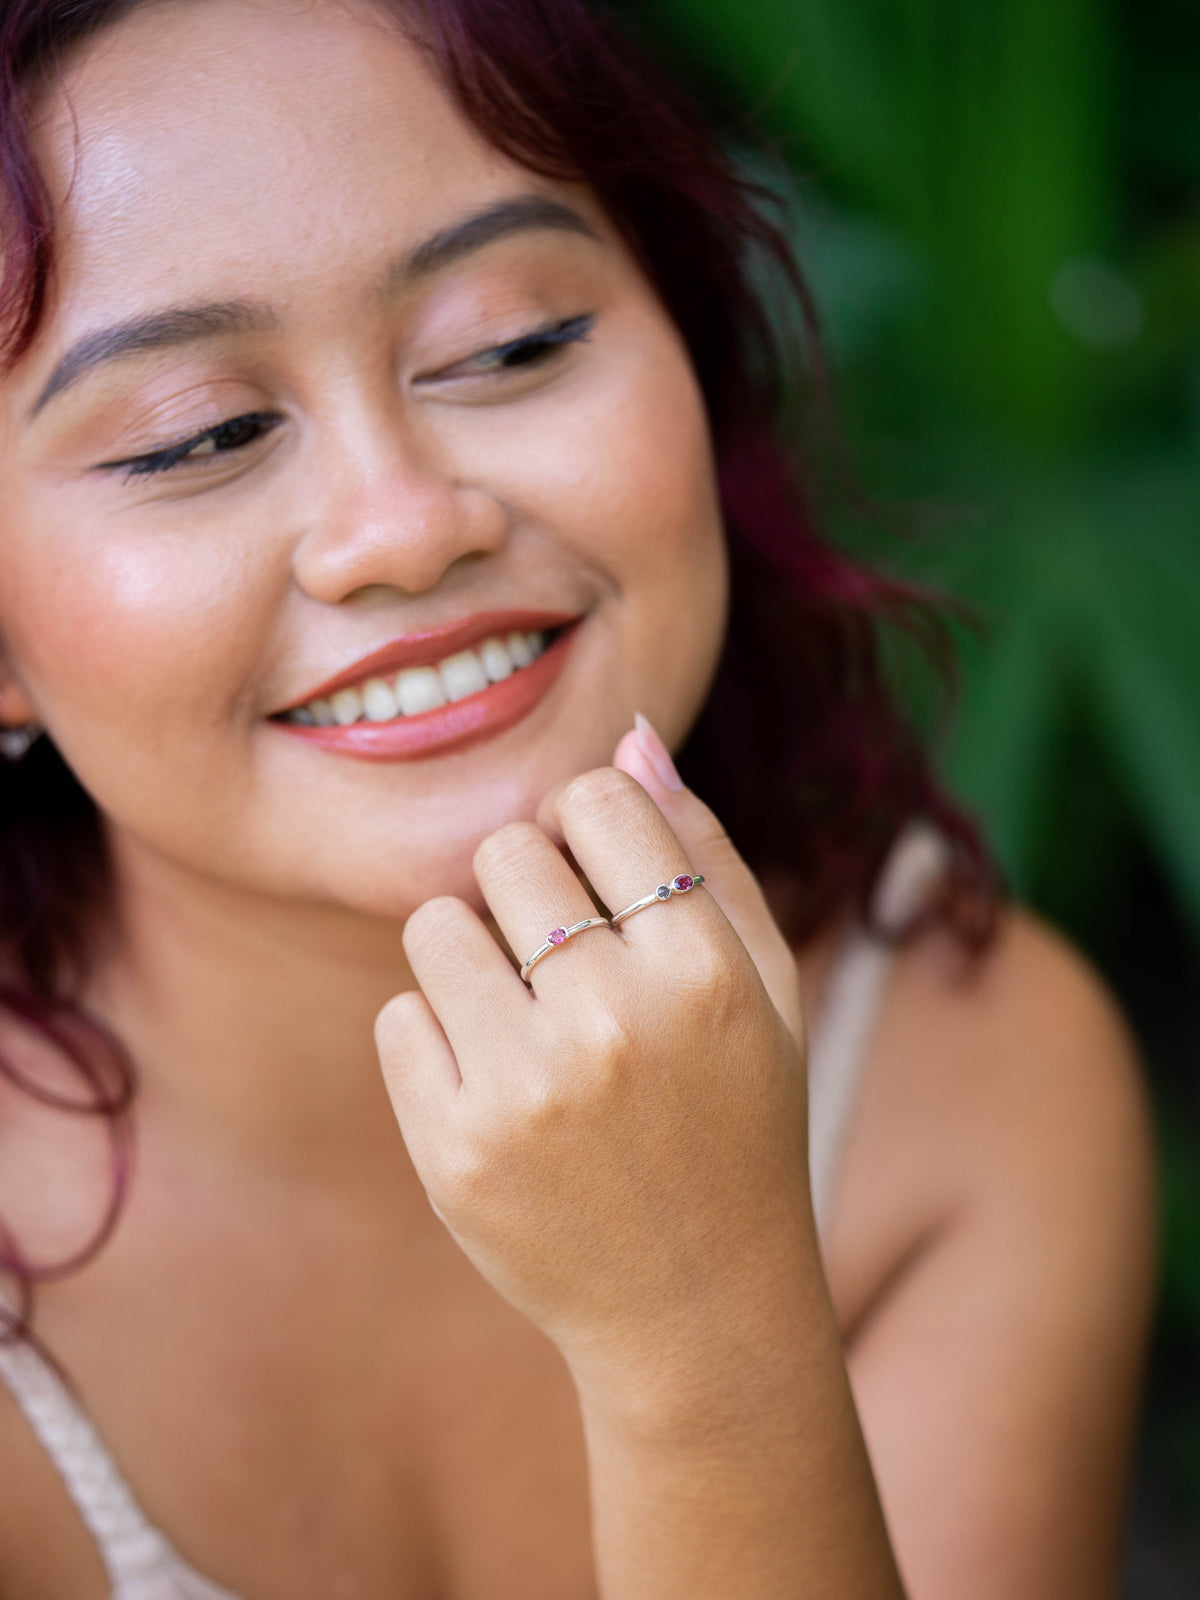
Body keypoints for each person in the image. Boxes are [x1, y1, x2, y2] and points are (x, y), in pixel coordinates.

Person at [0, 0, 1155, 1595]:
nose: (407, 528)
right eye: (198, 436)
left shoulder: (967, 1076)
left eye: (513, 344)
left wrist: (701, 1329)